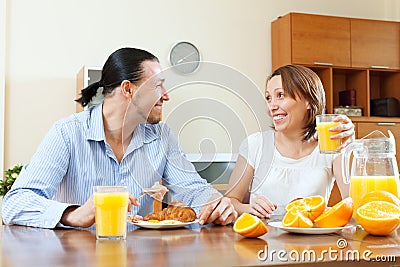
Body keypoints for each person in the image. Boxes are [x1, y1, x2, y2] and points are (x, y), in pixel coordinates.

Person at [2, 47, 237, 228]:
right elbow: (15, 203)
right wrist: (76, 214)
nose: (166, 96)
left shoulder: (162, 136)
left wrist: (215, 202)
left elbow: (192, 189)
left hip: (142, 257)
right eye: (158, 86)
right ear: (128, 89)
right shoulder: (67, 133)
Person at [225, 64, 355, 219]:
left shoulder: (331, 145)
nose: (271, 107)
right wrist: (249, 208)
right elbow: (230, 201)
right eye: (268, 98)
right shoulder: (255, 145)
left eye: (280, 95)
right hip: (262, 240)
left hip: (312, 241)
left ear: (308, 100)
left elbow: (353, 203)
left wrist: (350, 148)